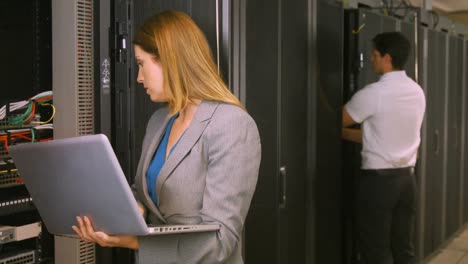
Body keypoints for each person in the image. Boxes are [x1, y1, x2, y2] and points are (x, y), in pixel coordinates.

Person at [72, 10, 261, 263]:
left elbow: (219, 243)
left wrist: (133, 241)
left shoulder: (232, 125)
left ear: (170, 60)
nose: (138, 78)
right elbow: (146, 191)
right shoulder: (160, 121)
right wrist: (123, 212)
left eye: (141, 64)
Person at [342, 32, 426, 264]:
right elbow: (384, 135)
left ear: (387, 58)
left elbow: (337, 122)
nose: (371, 59)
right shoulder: (417, 92)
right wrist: (361, 135)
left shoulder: (374, 94)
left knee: (375, 251)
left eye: (375, 55)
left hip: (378, 185)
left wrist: (344, 132)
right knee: (403, 249)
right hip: (407, 183)